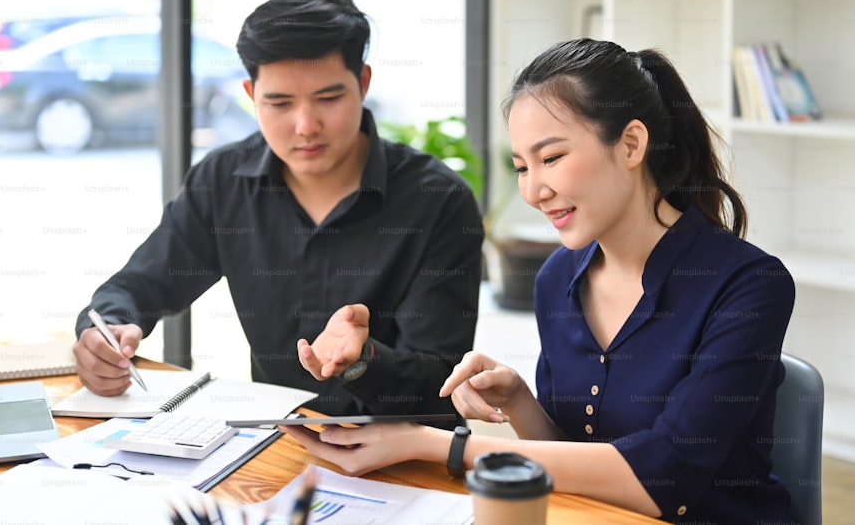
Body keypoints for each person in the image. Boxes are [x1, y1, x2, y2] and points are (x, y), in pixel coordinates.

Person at [281, 38, 797, 523]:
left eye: (551, 158)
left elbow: (666, 472)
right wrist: (519, 401)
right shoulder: (558, 279)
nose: (533, 190)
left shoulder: (749, 286)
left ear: (632, 144)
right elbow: (579, 456)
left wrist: (435, 445)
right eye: (522, 166)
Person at [72, 0, 484, 420]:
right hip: (279, 444)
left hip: (405, 456)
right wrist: (106, 333)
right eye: (280, 103)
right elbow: (139, 286)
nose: (305, 126)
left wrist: (362, 360)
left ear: (362, 83)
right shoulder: (223, 182)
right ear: (251, 94)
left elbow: (441, 386)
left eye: (328, 98)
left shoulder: (438, 200)